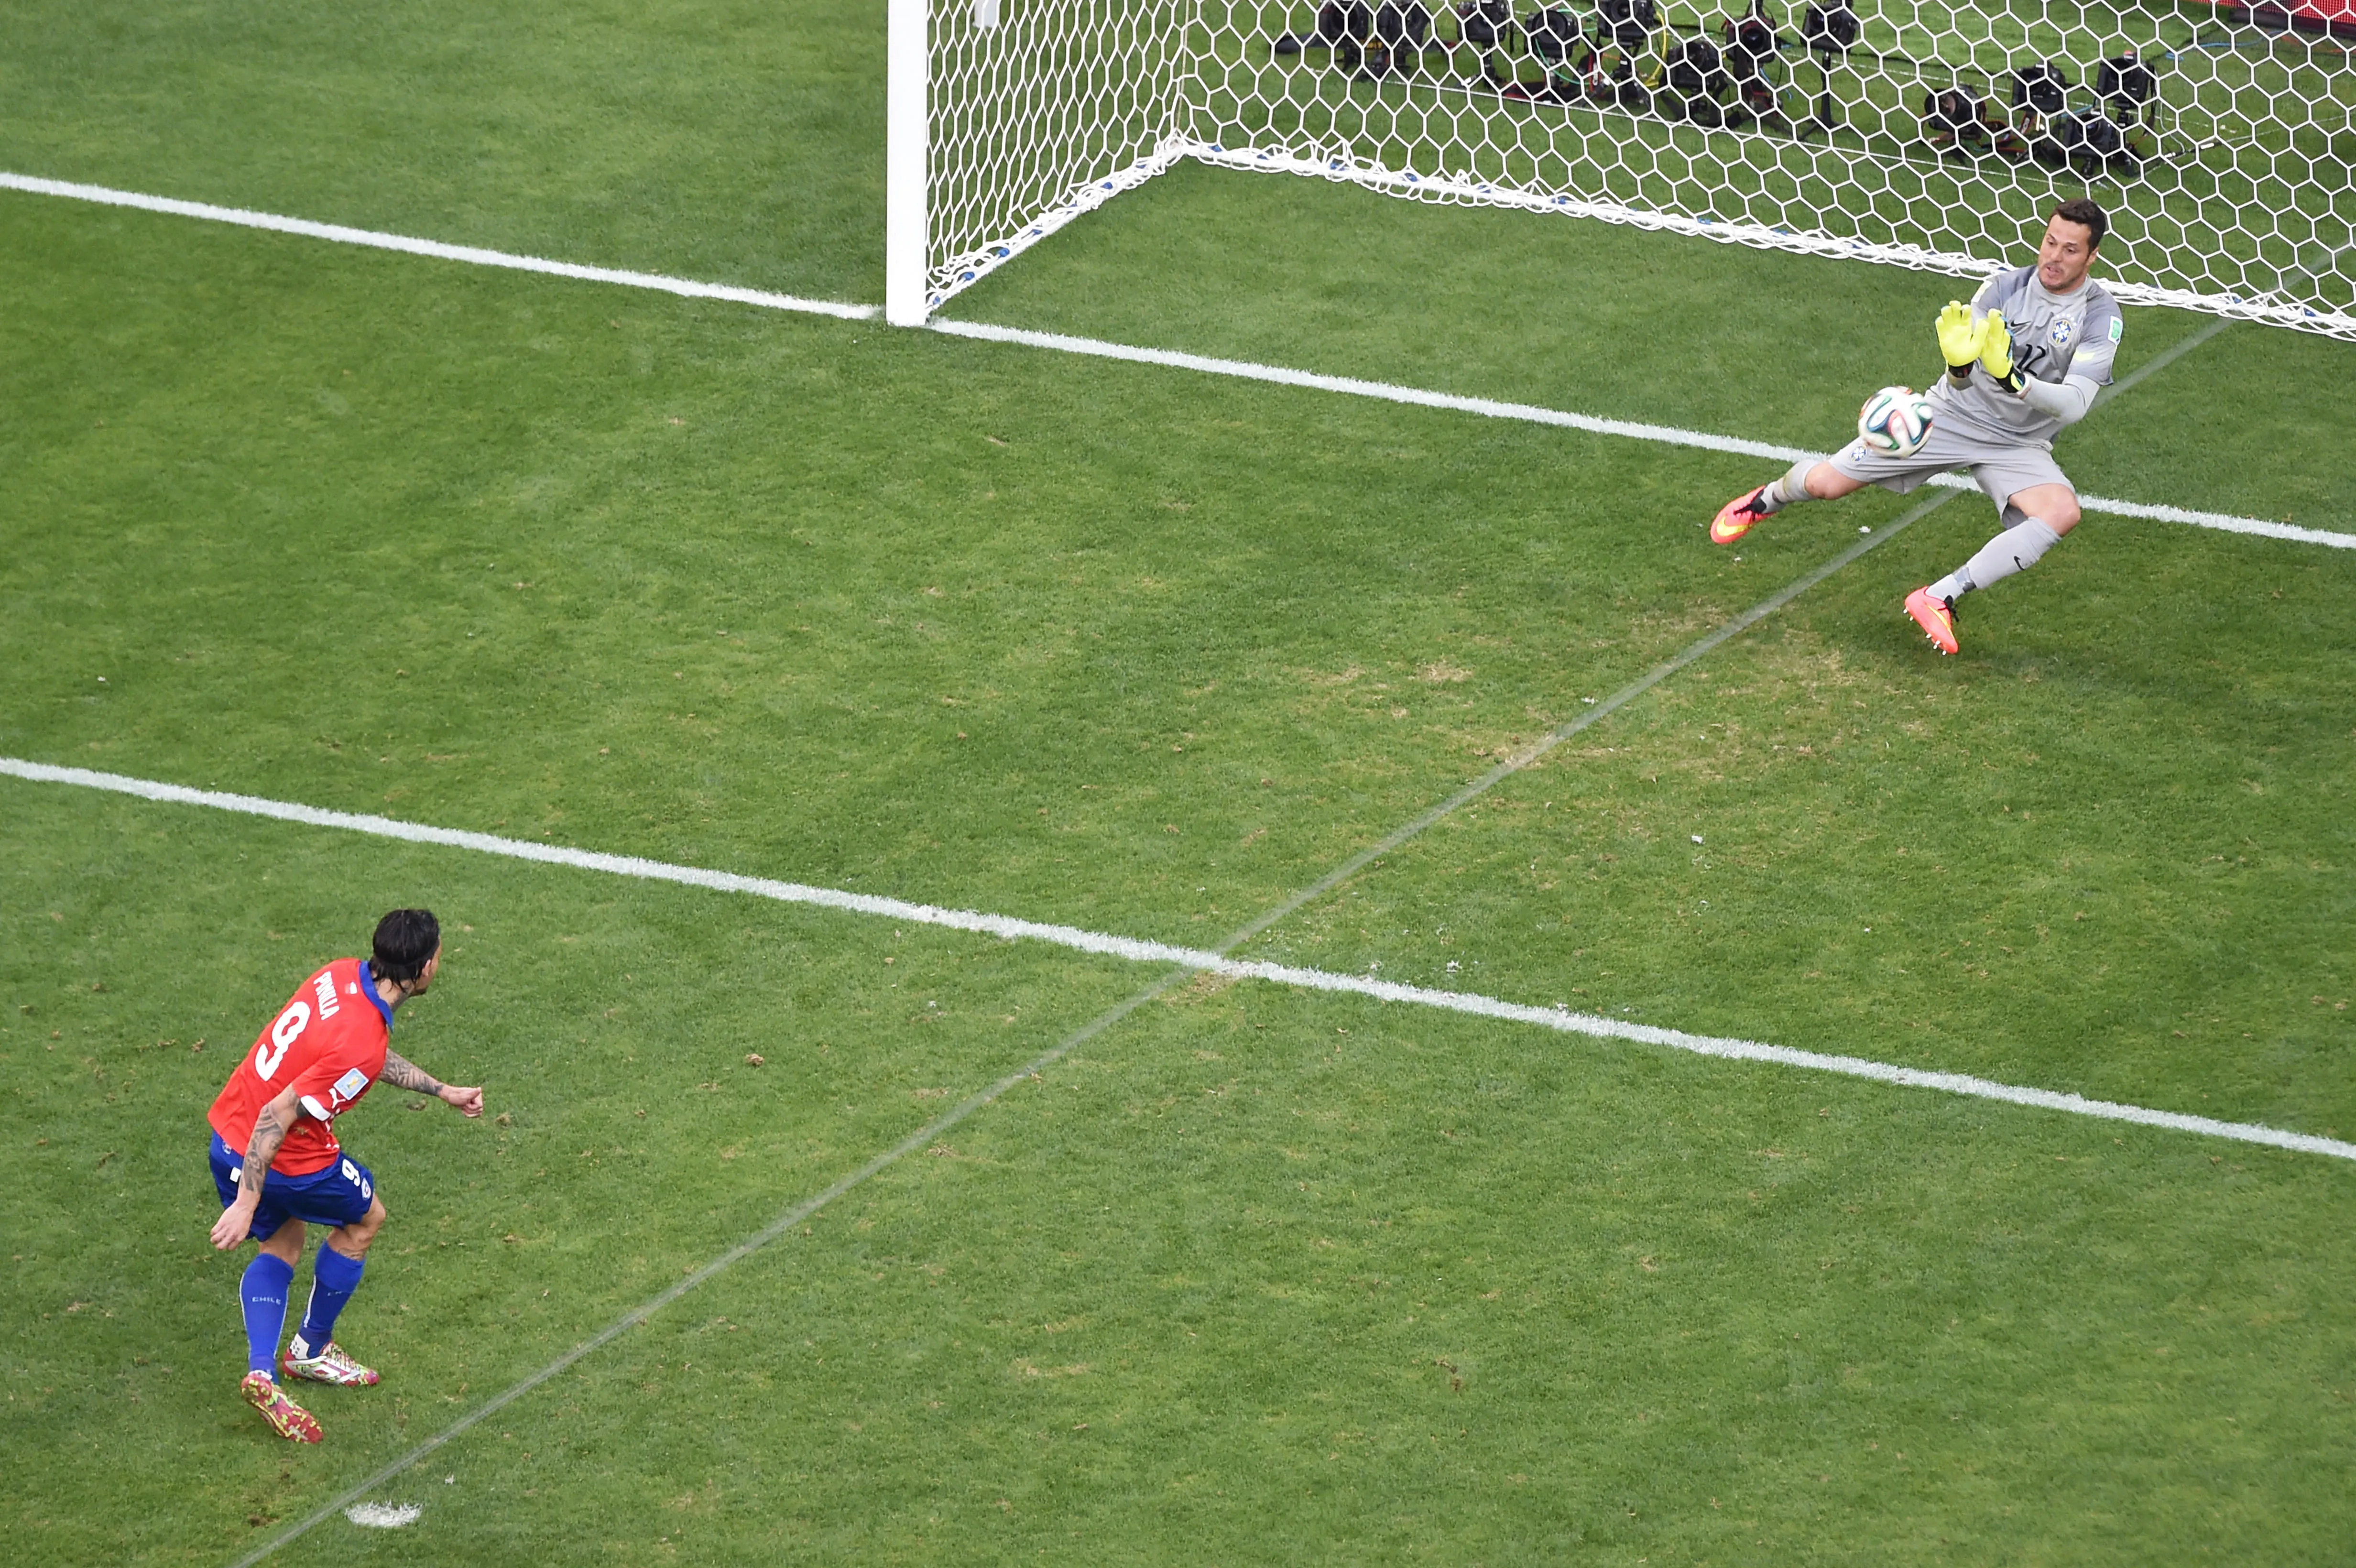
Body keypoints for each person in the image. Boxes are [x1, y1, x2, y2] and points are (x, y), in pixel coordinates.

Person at [1708, 196, 2122, 654]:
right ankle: (1765, 501)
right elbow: (1960, 381)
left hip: (2019, 443)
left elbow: (2075, 405)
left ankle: (1939, 596)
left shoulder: (2100, 316)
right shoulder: (2003, 289)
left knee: (2062, 512)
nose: (2054, 257)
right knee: (1826, 484)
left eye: (2070, 250)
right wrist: (1958, 366)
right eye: (2050, 242)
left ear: (2092, 256)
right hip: (1951, 416)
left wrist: (2014, 381)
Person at [205, 909, 482, 1442]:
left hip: (229, 1136)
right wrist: (245, 1202)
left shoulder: (339, 975)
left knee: (283, 1242)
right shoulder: (362, 1042)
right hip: (284, 1157)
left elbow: (363, 1056)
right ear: (424, 968)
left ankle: (262, 1373)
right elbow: (280, 1114)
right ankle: (311, 1348)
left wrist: (440, 1089)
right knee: (365, 1220)